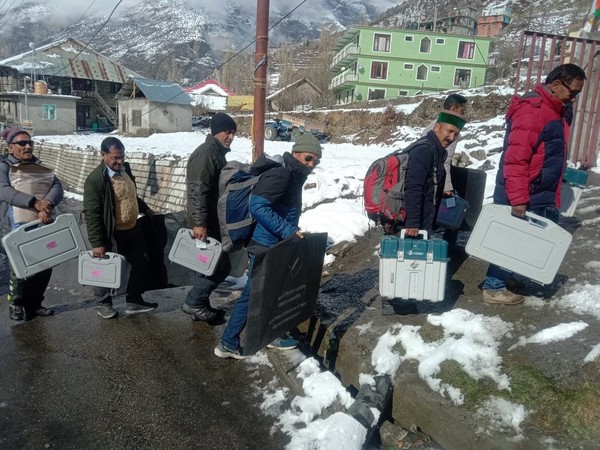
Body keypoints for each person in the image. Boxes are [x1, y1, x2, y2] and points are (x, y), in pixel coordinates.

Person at [481, 63, 586, 305]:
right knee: (509, 240)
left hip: (539, 190)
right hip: (523, 191)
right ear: (556, 85)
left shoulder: (555, 109)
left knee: (525, 240)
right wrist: (518, 198)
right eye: (573, 93)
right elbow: (516, 159)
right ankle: (493, 287)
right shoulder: (532, 112)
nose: (574, 98)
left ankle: (508, 279)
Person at [214, 132, 321, 359]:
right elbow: (258, 207)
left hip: (276, 243)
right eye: (308, 158)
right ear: (295, 154)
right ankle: (227, 343)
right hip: (266, 245)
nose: (312, 165)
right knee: (253, 295)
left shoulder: (294, 173)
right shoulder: (283, 174)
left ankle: (271, 334)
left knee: (270, 292)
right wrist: (288, 230)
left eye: (315, 161)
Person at [83, 137, 157, 319]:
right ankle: (103, 302)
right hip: (112, 232)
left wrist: (146, 209)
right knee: (106, 268)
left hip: (132, 229)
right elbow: (92, 214)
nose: (119, 161)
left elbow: (131, 196)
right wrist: (97, 242)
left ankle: (134, 300)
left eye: (122, 157)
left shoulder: (125, 171)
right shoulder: (95, 180)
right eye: (115, 158)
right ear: (103, 155)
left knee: (140, 263)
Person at [0, 127, 63, 320]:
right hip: (13, 226)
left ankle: (34, 304)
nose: (27, 146)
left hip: (41, 222)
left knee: (45, 264)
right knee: (19, 266)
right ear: (11, 147)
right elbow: (3, 190)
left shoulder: (38, 165)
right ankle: (16, 303)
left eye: (30, 143)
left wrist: (48, 205)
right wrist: (34, 203)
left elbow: (56, 185)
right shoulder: (4, 167)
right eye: (22, 143)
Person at [181, 112, 237, 322]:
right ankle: (193, 302)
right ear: (216, 132)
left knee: (204, 264)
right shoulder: (206, 154)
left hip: (210, 220)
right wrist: (199, 223)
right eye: (227, 132)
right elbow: (198, 191)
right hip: (205, 223)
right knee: (221, 266)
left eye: (233, 133)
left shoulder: (215, 153)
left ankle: (199, 306)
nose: (230, 137)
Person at [403, 110, 467, 237]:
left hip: (421, 220)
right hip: (411, 225)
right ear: (437, 127)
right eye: (449, 131)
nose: (452, 138)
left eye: (456, 134)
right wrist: (413, 223)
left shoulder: (436, 150)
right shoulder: (425, 151)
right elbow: (413, 187)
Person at [421, 94, 468, 246]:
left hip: (427, 172)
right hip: (434, 175)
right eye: (462, 110)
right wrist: (448, 189)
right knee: (454, 204)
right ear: (453, 109)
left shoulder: (436, 123)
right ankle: (449, 244)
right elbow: (445, 161)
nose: (463, 114)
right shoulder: (450, 129)